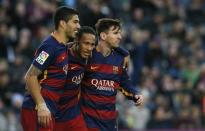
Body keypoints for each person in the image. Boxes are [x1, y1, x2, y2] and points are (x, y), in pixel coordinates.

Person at [20, 6, 80, 131]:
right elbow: (30, 76)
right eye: (75, 22)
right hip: (37, 111)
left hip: (48, 111)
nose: (78, 26)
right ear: (63, 24)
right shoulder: (49, 47)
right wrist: (41, 105)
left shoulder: (61, 46)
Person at [80, 18, 143, 131]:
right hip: (88, 120)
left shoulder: (119, 59)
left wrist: (135, 94)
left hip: (110, 122)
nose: (120, 36)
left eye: (119, 33)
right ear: (103, 36)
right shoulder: (87, 55)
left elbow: (124, 83)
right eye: (115, 33)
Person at [55, 26, 96, 131]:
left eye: (92, 45)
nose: (89, 48)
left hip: (73, 113)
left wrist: (125, 53)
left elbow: (108, 46)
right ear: (77, 41)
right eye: (86, 43)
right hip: (54, 114)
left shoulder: (89, 56)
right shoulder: (61, 55)